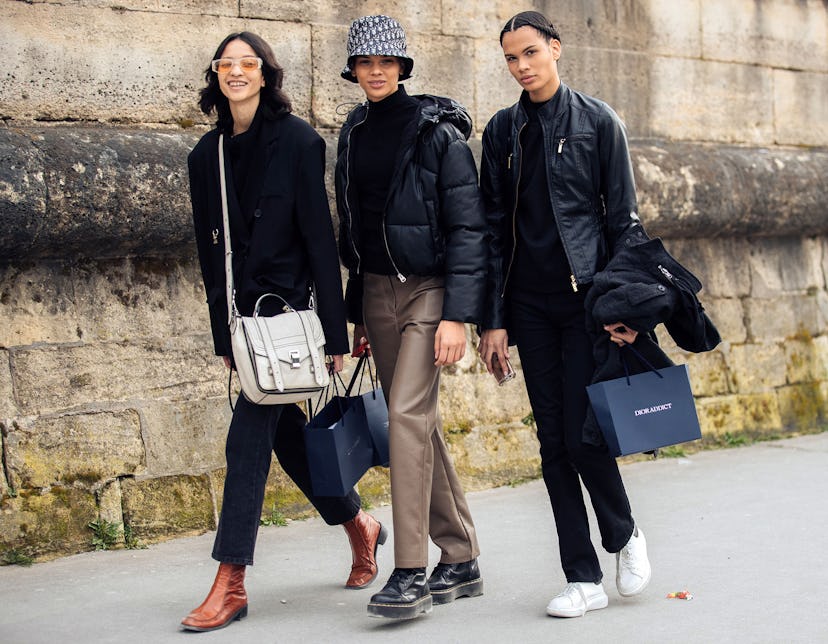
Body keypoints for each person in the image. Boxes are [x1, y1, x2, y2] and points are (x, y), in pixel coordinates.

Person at [183, 31, 387, 632]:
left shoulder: (299, 143)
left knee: (247, 438)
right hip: (246, 328)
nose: (237, 73)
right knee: (283, 438)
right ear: (216, 75)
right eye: (227, 64)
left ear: (266, 75)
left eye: (249, 64)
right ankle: (358, 523)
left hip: (292, 320)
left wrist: (334, 333)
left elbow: (319, 241)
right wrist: (225, 339)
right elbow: (209, 254)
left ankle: (231, 580)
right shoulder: (205, 157)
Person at [477, 11, 652, 619]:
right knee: (552, 440)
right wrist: (492, 319)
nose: (522, 66)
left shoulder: (599, 121)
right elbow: (492, 231)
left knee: (584, 432)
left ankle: (625, 535)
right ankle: (581, 577)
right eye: (511, 58)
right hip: (527, 305)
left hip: (585, 301)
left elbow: (624, 222)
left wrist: (623, 308)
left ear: (555, 49)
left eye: (530, 52)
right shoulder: (502, 131)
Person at [335, 15, 486, 620]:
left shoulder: (437, 136)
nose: (376, 72)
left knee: (404, 415)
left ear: (402, 67)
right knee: (418, 422)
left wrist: (458, 315)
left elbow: (469, 229)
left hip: (428, 289)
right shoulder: (352, 130)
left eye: (386, 62)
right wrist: (361, 315)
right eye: (366, 63)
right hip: (376, 291)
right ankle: (462, 555)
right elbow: (356, 225)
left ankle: (410, 572)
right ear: (353, 69)